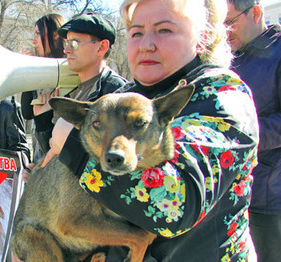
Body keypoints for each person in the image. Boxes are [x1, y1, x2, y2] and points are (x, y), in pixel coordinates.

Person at [37, 0, 259, 261]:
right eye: (136, 33)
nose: (145, 45)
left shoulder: (222, 95)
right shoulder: (123, 97)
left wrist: (75, 146)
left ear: (202, 38)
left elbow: (176, 207)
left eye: (164, 30)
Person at [225, 1, 281, 261]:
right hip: (223, 189)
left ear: (256, 13)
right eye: (218, 25)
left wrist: (237, 138)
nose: (224, 32)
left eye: (230, 22)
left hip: (267, 194)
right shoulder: (225, 56)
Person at [37, 13, 130, 168]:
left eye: (74, 43)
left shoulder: (116, 92)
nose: (66, 50)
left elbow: (113, 161)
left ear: (101, 47)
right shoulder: (71, 90)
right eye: (65, 42)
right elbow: (54, 149)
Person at [20, 13, 66, 162]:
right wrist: (29, 72)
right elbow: (27, 113)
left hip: (59, 159)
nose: (34, 41)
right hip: (41, 156)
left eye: (38, 34)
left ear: (54, 35)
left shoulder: (68, 70)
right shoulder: (40, 70)